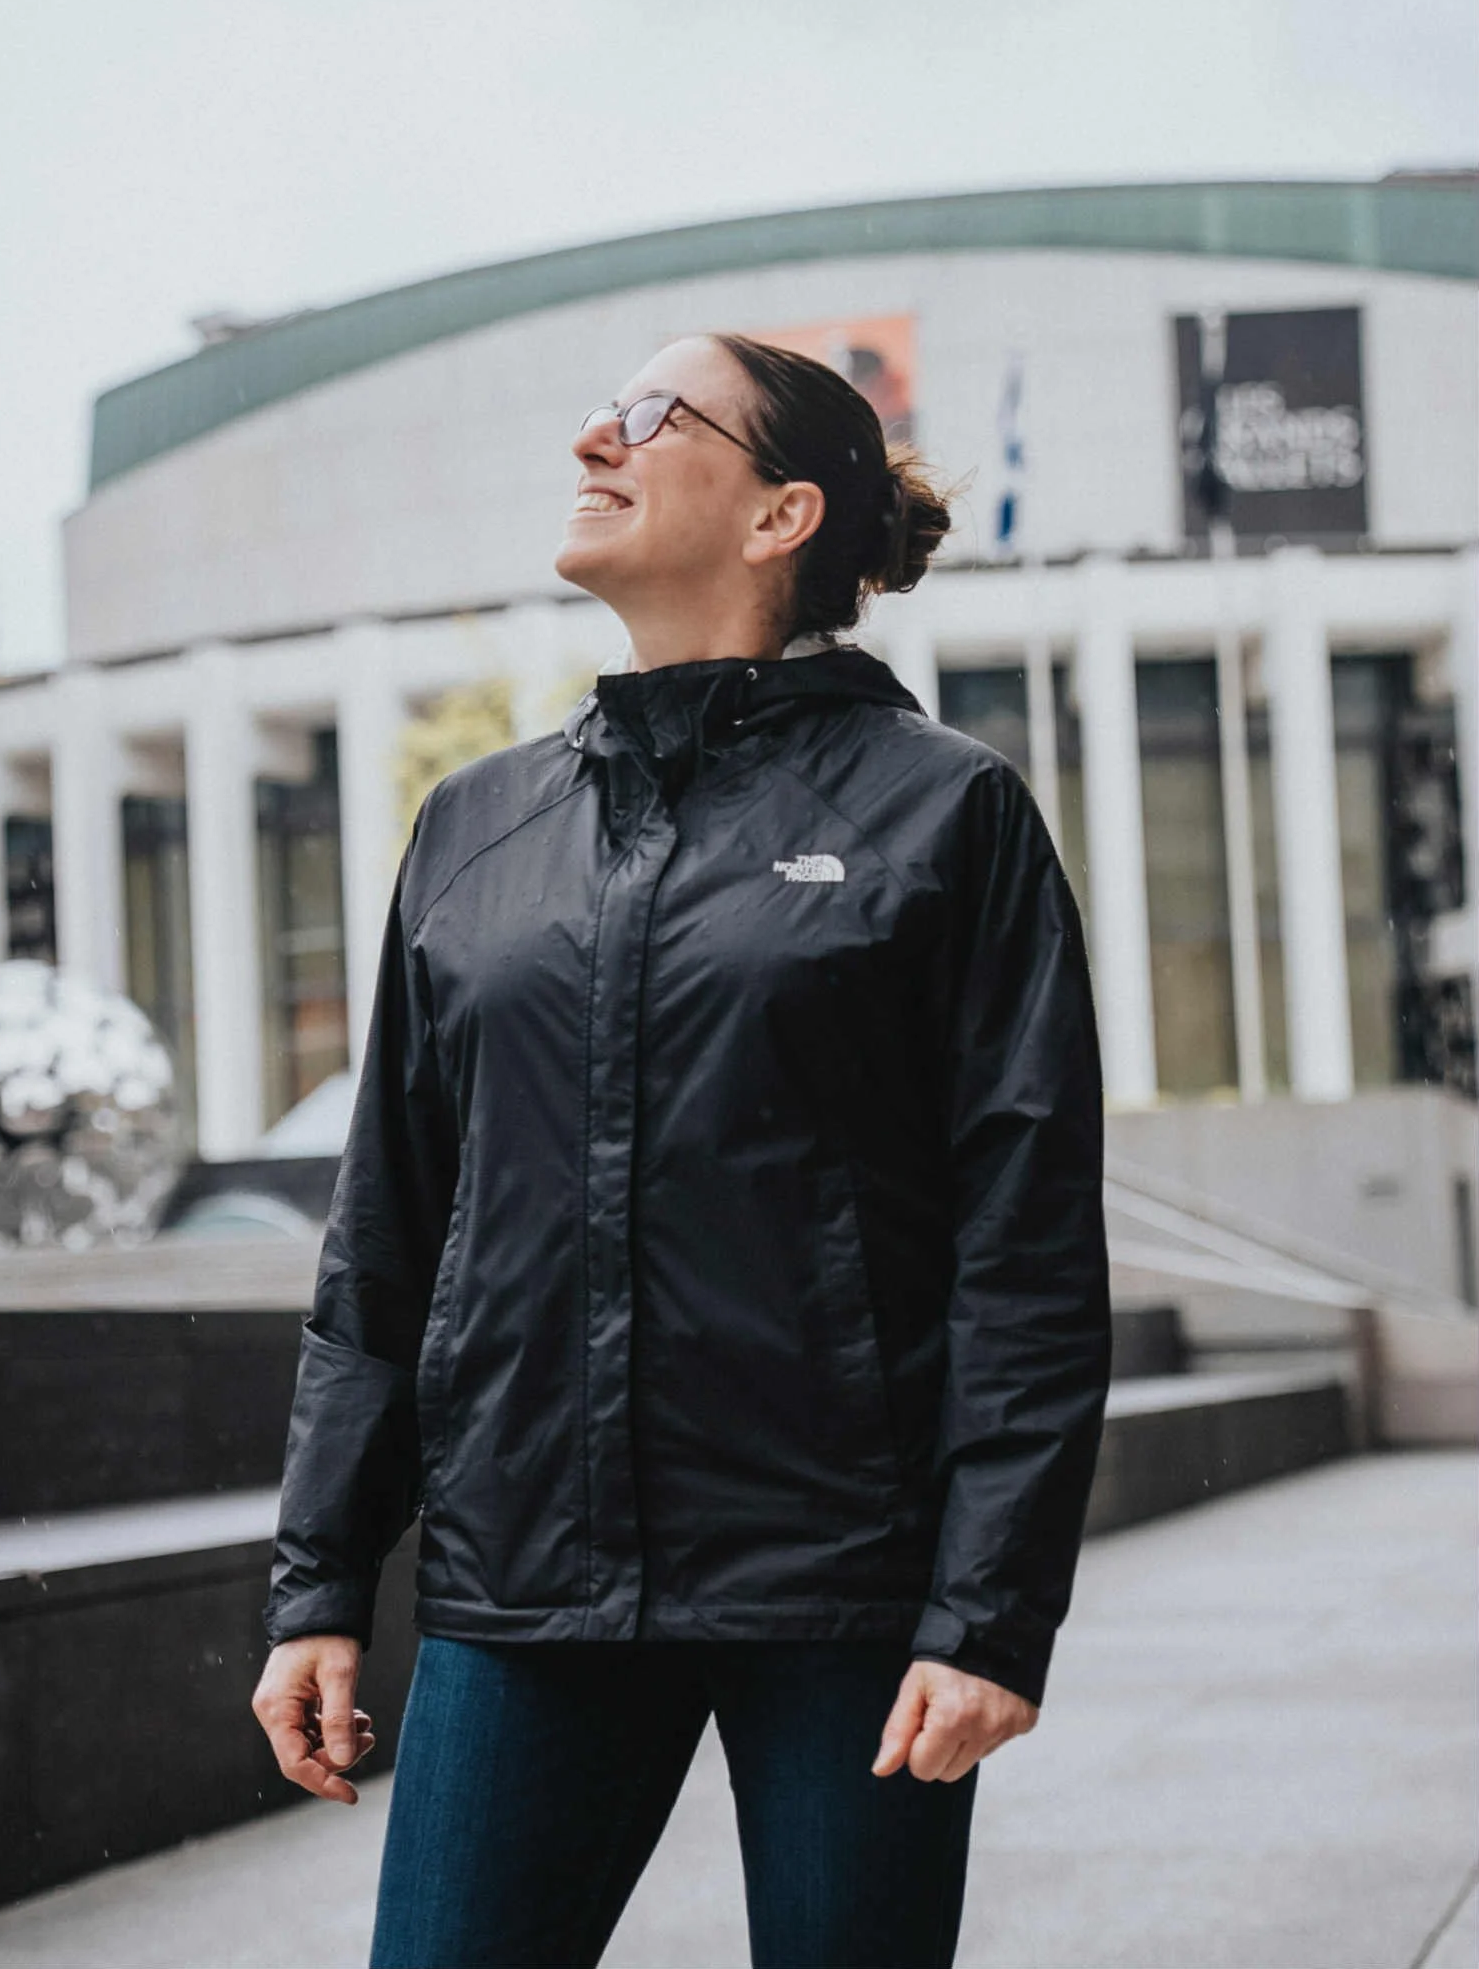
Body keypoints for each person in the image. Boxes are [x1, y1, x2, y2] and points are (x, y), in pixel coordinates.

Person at [251, 331, 1112, 1969]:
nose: (595, 434)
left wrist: (990, 1611)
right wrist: (319, 1580)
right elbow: (387, 1238)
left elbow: (1026, 1244)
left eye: (651, 416)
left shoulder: (943, 814)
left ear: (784, 512)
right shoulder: (476, 828)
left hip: (844, 1591)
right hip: (523, 1586)